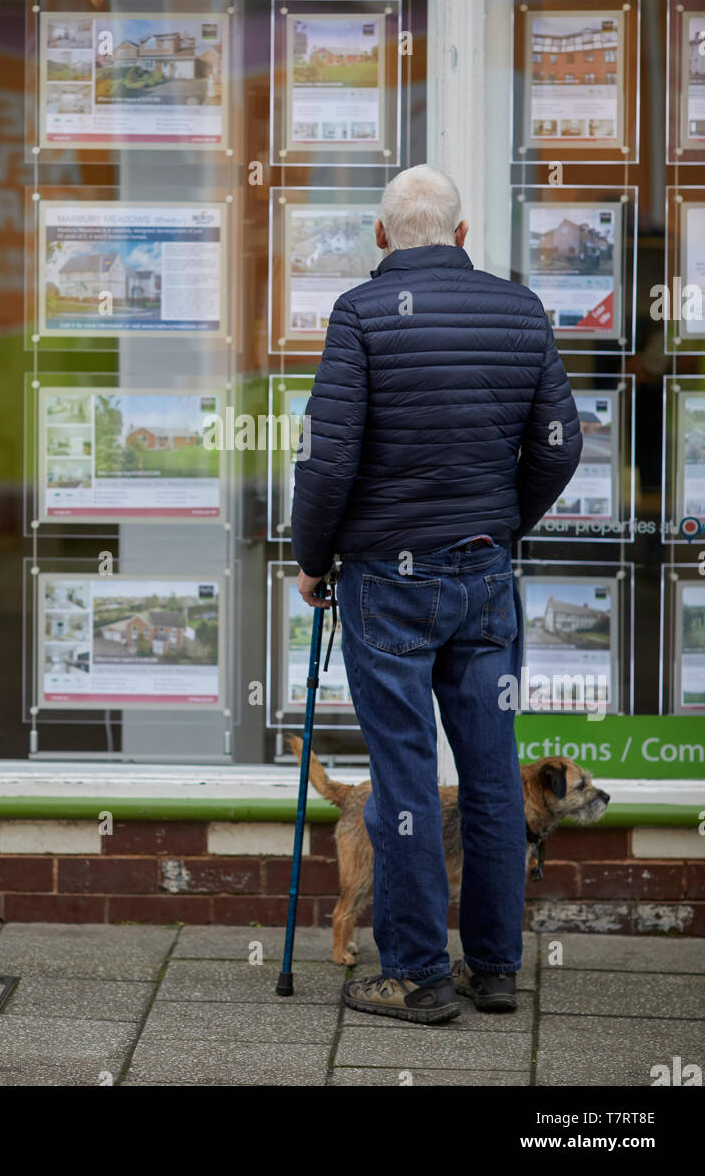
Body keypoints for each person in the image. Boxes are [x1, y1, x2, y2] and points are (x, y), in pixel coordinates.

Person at [289, 164, 582, 1025]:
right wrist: (502, 523)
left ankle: (418, 975)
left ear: (381, 237)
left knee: (405, 778)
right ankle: (494, 969)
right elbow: (560, 444)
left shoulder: (361, 314)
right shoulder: (519, 311)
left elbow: (328, 456)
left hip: (388, 582)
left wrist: (313, 560)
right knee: (493, 776)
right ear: (462, 236)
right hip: (484, 580)